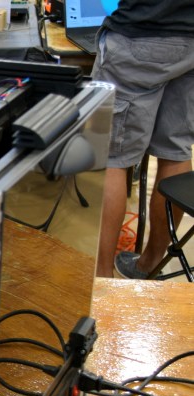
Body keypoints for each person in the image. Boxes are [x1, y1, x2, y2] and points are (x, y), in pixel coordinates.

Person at [92, 0, 194, 278]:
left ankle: (103, 277)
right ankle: (149, 265)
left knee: (111, 158)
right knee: (176, 151)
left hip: (142, 32)